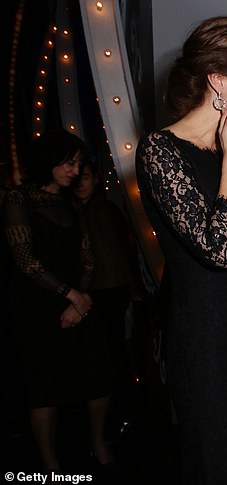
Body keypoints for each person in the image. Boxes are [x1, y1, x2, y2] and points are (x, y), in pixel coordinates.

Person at [135, 16, 227, 484]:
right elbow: (218, 250)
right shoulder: (161, 150)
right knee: (220, 464)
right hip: (204, 341)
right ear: (219, 81)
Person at [3, 130, 114, 472]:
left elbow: (88, 259)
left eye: (79, 163)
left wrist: (78, 302)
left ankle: (97, 443)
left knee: (98, 376)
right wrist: (72, 296)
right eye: (69, 162)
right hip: (36, 306)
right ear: (48, 162)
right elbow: (25, 260)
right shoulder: (19, 199)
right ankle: (49, 464)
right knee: (43, 388)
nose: (75, 169)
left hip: (76, 304)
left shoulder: (70, 204)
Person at [74, 161, 142, 437]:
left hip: (111, 293)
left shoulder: (106, 210)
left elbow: (124, 254)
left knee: (115, 358)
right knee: (103, 360)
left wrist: (133, 290)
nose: (80, 183)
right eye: (77, 178)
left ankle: (123, 416)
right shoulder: (75, 210)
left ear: (96, 179)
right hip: (91, 295)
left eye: (86, 177)